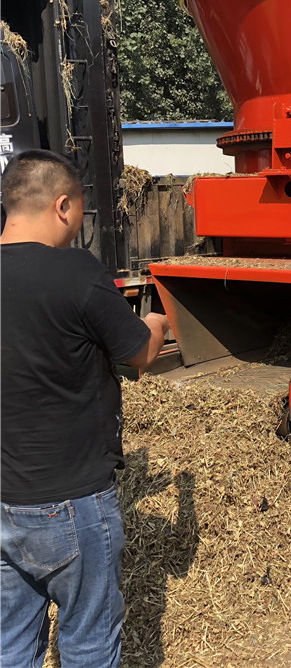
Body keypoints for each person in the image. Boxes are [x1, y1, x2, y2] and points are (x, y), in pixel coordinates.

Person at [1, 150, 170, 668]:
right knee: (90, 642)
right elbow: (138, 353)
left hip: (4, 498)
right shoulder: (76, 271)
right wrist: (160, 322)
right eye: (78, 212)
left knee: (10, 643)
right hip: (72, 501)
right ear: (63, 205)